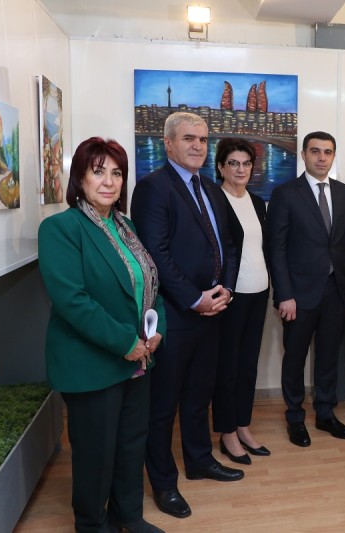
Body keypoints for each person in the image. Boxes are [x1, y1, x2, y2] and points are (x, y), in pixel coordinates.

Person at [38, 137, 165, 533]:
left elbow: (150, 285)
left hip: (138, 358)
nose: (109, 181)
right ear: (80, 178)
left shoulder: (125, 226)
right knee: (96, 452)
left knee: (131, 443)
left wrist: (156, 330)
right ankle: (92, 524)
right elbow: (73, 301)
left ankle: (129, 515)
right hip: (92, 362)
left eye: (117, 173)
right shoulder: (61, 228)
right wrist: (126, 343)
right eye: (98, 172)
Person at [131, 112, 242, 520]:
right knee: (163, 406)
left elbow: (229, 243)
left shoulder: (210, 188)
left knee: (198, 397)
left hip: (213, 310)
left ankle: (199, 460)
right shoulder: (152, 188)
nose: (198, 146)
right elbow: (155, 254)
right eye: (188, 138)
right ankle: (164, 482)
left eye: (203, 139)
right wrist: (195, 299)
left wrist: (225, 289)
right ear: (168, 143)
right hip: (175, 315)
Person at [267, 130, 345, 447]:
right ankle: (295, 417)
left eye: (328, 152)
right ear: (304, 154)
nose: (322, 157)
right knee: (294, 358)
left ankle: (325, 413)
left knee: (328, 356)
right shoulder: (285, 193)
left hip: (336, 291)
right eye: (315, 151)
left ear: (333, 156)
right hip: (298, 294)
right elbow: (276, 249)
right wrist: (284, 294)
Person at [211, 138, 271, 464]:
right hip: (230, 296)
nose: (240, 169)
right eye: (233, 163)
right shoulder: (214, 201)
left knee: (248, 366)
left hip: (259, 292)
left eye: (246, 163)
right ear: (221, 166)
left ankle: (243, 426)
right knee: (228, 368)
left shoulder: (258, 202)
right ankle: (227, 433)